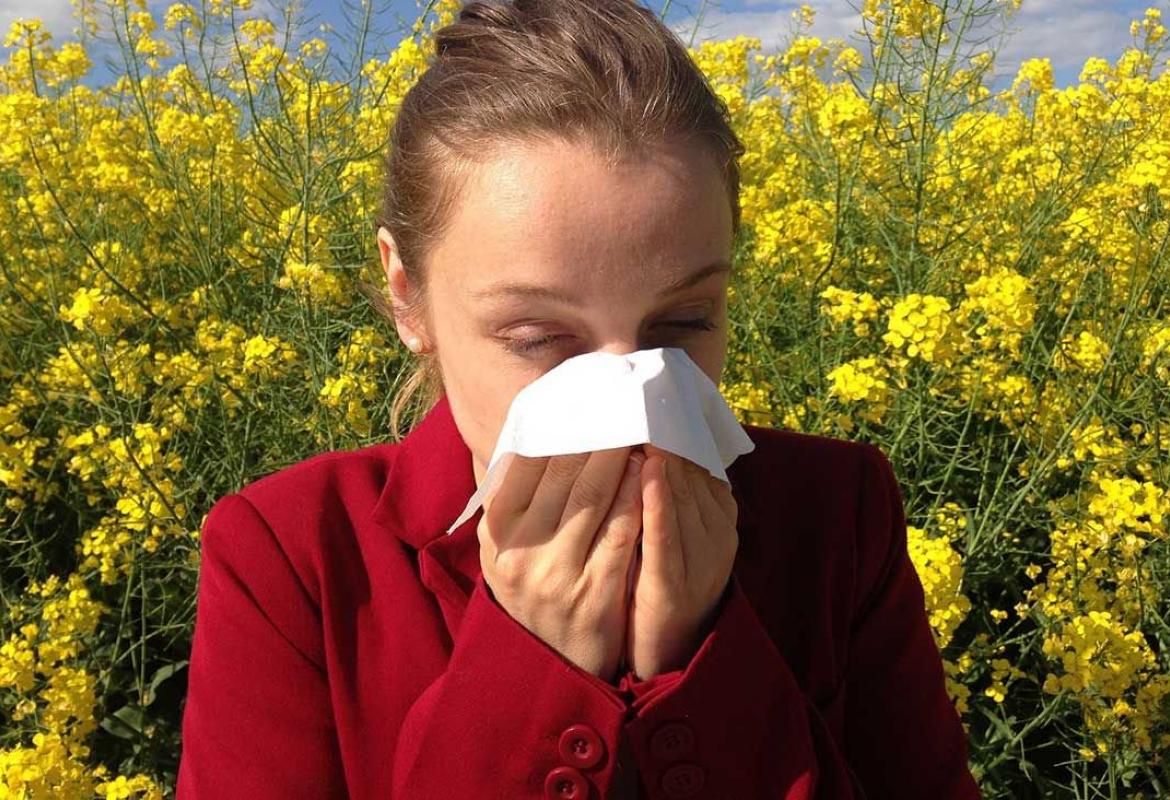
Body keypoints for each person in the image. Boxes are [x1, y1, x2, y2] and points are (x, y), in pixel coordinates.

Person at [175, 1, 982, 798]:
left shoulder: (836, 516)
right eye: (538, 337)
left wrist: (701, 655)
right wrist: (532, 667)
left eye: (683, 322)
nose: (631, 402)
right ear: (408, 297)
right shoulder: (296, 558)